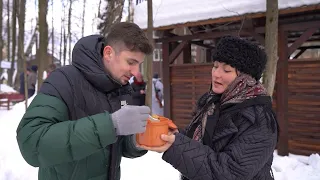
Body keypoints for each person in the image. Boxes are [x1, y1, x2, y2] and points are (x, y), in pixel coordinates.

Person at [16, 22, 153, 180]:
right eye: (131, 62)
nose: (136, 72)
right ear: (108, 53)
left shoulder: (121, 89)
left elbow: (117, 146)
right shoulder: (63, 80)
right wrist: (111, 125)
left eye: (139, 65)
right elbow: (32, 143)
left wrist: (140, 139)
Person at [141, 36, 279, 180]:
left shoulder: (260, 120)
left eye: (226, 70)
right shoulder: (212, 103)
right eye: (215, 66)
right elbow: (199, 144)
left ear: (245, 79)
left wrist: (176, 145)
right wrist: (173, 135)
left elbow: (229, 173)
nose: (216, 74)